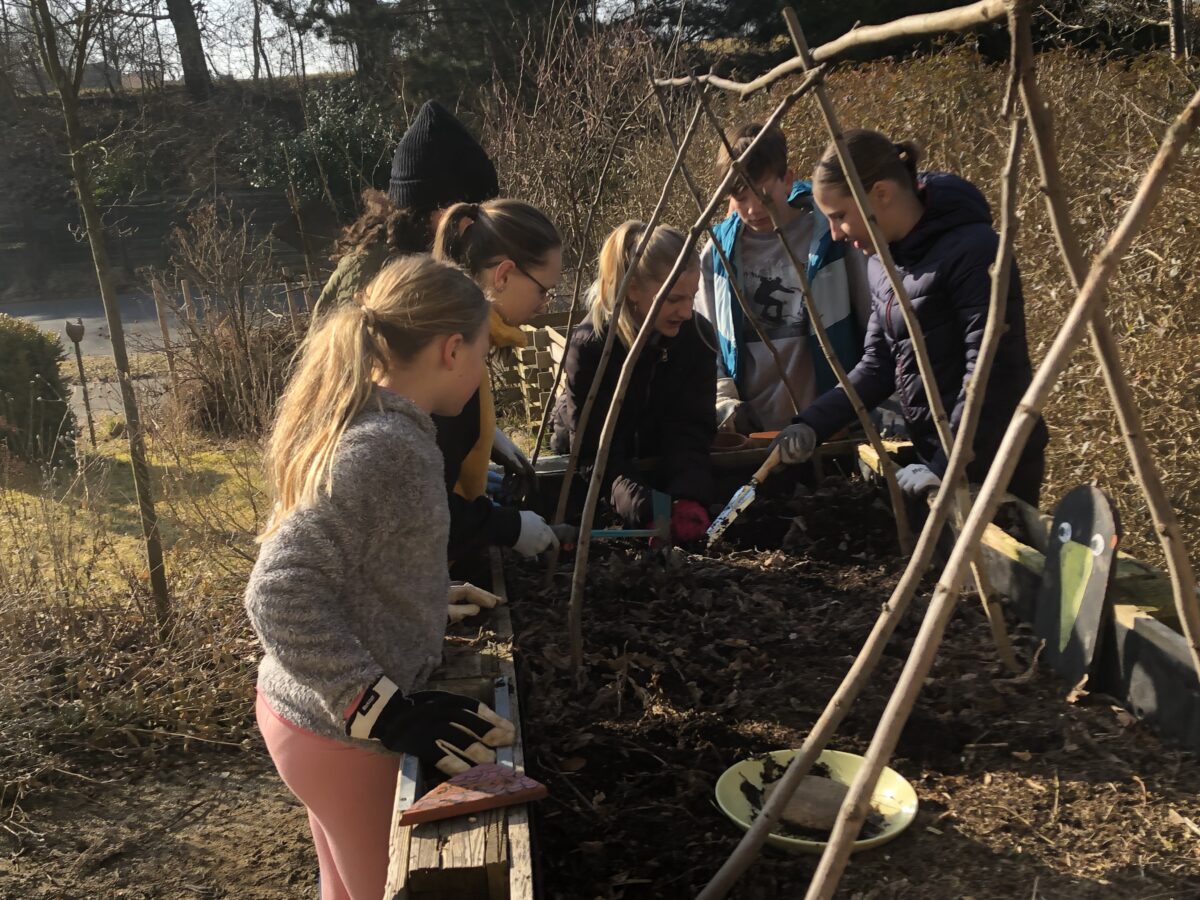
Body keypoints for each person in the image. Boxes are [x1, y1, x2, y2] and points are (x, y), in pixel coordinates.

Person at [246, 255, 516, 900]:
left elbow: (350, 554)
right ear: (452, 349)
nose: (483, 371)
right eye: (483, 354)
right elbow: (277, 589)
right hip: (339, 739)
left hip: (307, 721)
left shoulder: (371, 420)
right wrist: (380, 709)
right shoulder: (387, 446)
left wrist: (418, 591)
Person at [772, 129, 1049, 506]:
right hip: (935, 461)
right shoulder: (882, 263)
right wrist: (811, 423)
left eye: (840, 216)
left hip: (993, 464)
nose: (835, 234)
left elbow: (990, 373)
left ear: (881, 194)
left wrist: (947, 465)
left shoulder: (976, 253)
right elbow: (878, 364)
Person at [695, 121, 871, 435]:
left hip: (834, 426)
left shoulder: (832, 239)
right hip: (755, 435)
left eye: (763, 196)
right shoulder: (717, 255)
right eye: (740, 198)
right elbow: (708, 347)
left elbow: (874, 324)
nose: (753, 210)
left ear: (787, 180)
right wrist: (726, 408)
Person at [551, 221, 716, 543]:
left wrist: (689, 496)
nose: (686, 312)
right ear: (633, 289)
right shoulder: (592, 347)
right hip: (600, 481)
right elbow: (595, 454)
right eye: (674, 299)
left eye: (692, 297)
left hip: (659, 463)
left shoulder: (696, 337)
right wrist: (649, 510)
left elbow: (690, 429)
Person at [431, 199, 565, 558]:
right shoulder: (456, 356)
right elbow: (427, 509)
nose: (545, 304)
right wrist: (505, 526)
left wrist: (485, 439)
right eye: (542, 290)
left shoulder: (456, 329)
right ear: (503, 275)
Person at [314, 99, 501, 315]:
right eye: (471, 212)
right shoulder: (379, 274)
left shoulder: (428, 256)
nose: (476, 223)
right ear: (438, 209)